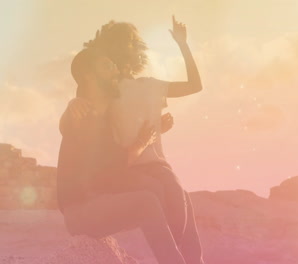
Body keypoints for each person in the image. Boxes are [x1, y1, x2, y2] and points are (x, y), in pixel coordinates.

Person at [59, 16, 205, 264]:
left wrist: (152, 135)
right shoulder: (92, 105)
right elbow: (76, 126)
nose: (115, 69)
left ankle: (189, 259)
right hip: (101, 190)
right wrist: (72, 106)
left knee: (172, 193)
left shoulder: (122, 101)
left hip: (121, 177)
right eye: (108, 65)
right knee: (154, 196)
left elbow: (113, 147)